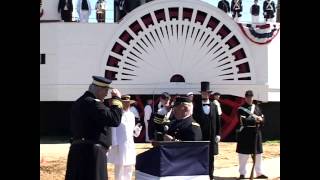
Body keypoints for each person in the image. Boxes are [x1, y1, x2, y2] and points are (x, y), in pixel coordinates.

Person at [65, 76, 123, 180]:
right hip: (91, 153)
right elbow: (114, 120)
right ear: (99, 89)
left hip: (78, 150)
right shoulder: (93, 103)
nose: (106, 94)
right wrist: (117, 100)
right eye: (106, 90)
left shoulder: (79, 102)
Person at [108, 95, 142, 180]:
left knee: (129, 166)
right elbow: (113, 129)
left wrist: (137, 130)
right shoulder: (117, 114)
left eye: (128, 103)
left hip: (130, 144)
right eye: (125, 103)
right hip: (120, 144)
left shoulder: (131, 115)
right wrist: (114, 144)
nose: (127, 104)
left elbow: (133, 132)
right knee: (120, 166)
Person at [236, 90, 268, 179]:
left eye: (251, 97)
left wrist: (261, 120)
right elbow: (243, 121)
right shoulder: (240, 109)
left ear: (253, 97)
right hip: (245, 133)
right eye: (248, 97)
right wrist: (256, 120)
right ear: (245, 98)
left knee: (258, 155)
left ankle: (259, 173)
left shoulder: (257, 108)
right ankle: (242, 173)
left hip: (256, 133)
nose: (249, 98)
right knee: (243, 155)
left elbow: (263, 118)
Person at [193, 81, 221, 180]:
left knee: (211, 157)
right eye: (203, 92)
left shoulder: (214, 106)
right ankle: (201, 175)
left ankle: (210, 175)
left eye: (207, 92)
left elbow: (218, 121)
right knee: (200, 156)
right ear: (201, 93)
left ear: (209, 94)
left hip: (211, 136)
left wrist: (218, 134)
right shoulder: (196, 106)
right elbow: (194, 121)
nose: (205, 94)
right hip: (201, 136)